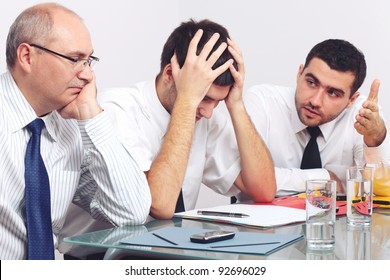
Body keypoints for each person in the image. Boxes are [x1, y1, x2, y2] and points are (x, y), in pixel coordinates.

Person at [0, 3, 151, 260]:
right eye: (75, 59)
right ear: (27, 57)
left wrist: (91, 114)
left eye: (89, 61)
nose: (88, 75)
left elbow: (131, 213)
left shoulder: (70, 130)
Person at [98, 19, 276, 219]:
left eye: (219, 100)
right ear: (169, 74)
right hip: (104, 250)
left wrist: (236, 105)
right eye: (205, 97)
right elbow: (160, 205)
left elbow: (264, 190)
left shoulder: (205, 118)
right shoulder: (117, 109)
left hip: (172, 247)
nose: (209, 112)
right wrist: (187, 100)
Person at [243, 39, 390, 194]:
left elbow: (375, 190)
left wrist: (375, 140)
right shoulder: (263, 102)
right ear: (299, 74)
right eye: (311, 82)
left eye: (333, 93)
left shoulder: (363, 114)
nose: (315, 101)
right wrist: (326, 179)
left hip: (335, 219)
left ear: (351, 100)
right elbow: (248, 177)